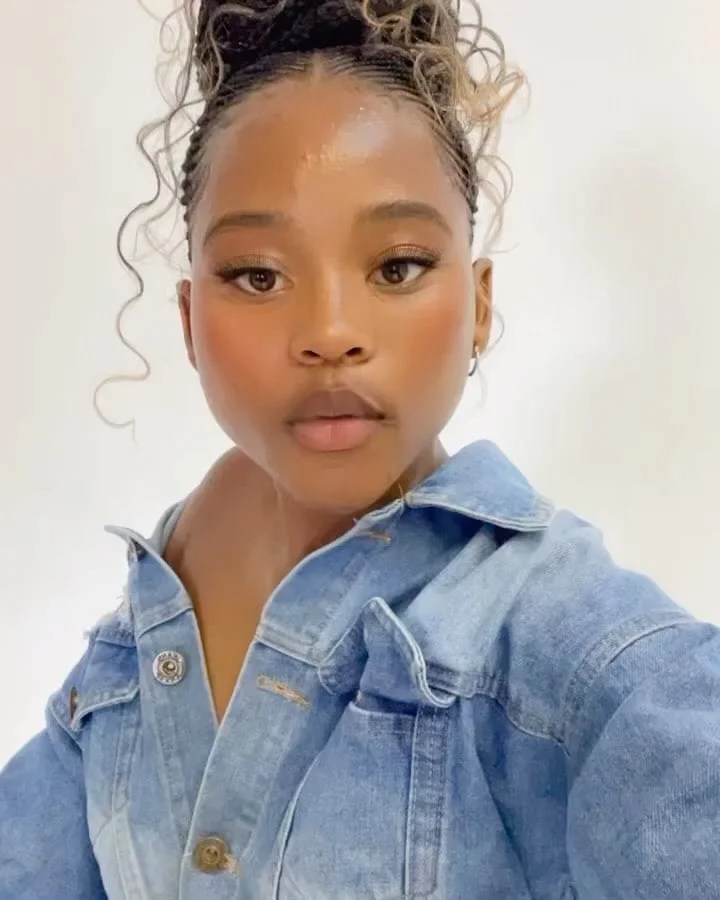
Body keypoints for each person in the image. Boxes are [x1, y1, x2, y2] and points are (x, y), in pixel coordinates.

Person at [1, 1, 718, 897]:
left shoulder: (558, 643)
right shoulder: (148, 617)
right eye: (258, 275)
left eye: (397, 266)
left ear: (480, 306)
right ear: (189, 321)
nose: (329, 332)